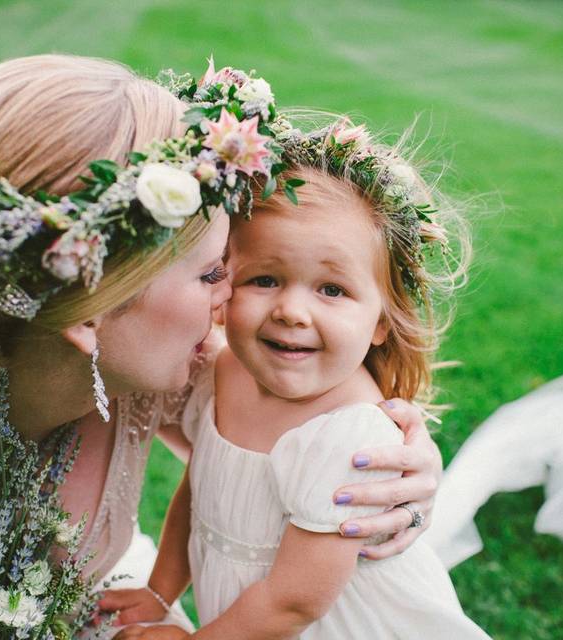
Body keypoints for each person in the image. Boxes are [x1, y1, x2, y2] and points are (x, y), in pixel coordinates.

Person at [0, 56, 443, 639]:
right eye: (217, 274)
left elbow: (279, 445)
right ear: (91, 311)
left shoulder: (166, 372)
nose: (230, 308)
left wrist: (405, 469)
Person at [98, 119, 492, 639]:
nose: (291, 311)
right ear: (223, 289)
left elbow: (294, 601)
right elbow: (202, 493)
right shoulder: (226, 372)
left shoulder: (350, 436)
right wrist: (158, 592)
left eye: (331, 290)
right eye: (264, 279)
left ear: (380, 323)